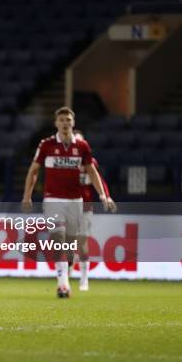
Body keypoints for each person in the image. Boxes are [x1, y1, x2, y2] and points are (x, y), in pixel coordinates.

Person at [22, 107, 116, 298]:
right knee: (58, 238)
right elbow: (33, 171)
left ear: (73, 123)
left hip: (76, 201)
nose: (65, 123)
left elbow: (92, 172)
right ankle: (63, 284)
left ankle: (68, 267)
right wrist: (27, 196)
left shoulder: (82, 147)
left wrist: (103, 196)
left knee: (71, 244)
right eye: (62, 120)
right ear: (56, 123)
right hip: (53, 199)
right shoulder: (46, 145)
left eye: (68, 120)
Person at [72, 129, 116, 291]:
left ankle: (84, 278)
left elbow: (100, 181)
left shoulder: (91, 163)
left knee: (81, 242)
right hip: (66, 205)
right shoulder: (64, 162)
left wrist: (106, 196)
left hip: (85, 206)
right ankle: (65, 276)